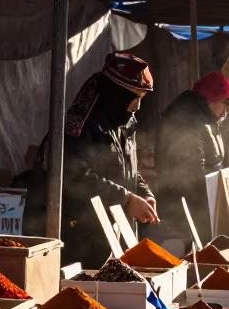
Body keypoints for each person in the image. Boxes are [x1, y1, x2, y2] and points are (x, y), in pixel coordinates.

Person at [61, 52, 158, 268]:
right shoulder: (81, 125)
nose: (137, 107)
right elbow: (74, 176)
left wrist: (143, 192)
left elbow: (127, 166)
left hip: (117, 229)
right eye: (135, 98)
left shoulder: (125, 120)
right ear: (117, 94)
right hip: (84, 233)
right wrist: (125, 198)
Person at [156, 71, 229, 244]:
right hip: (182, 208)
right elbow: (191, 175)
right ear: (211, 99)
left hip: (203, 205)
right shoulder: (188, 122)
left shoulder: (210, 120)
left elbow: (218, 161)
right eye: (226, 104)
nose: (227, 112)